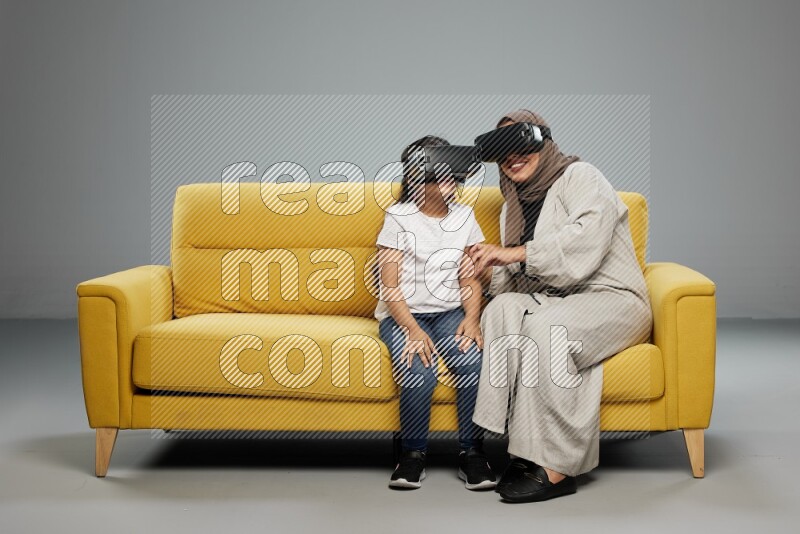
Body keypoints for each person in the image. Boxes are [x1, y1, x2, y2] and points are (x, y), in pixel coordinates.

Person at [468, 110, 652, 502]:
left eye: (522, 145)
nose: (513, 157)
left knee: (546, 330)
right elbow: (520, 277)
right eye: (503, 151)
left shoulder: (581, 176)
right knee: (501, 310)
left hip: (612, 298)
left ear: (545, 142)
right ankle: (521, 445)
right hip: (559, 300)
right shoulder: (512, 205)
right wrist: (482, 275)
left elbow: (584, 240)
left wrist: (513, 253)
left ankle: (557, 467)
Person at [375, 135, 496, 490]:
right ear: (417, 179)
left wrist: (472, 319)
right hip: (404, 316)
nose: (449, 183)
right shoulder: (398, 217)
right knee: (419, 372)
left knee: (472, 363)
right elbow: (390, 285)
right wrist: (412, 329)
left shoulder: (464, 216)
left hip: (450, 313)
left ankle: (472, 453)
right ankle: (412, 455)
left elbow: (469, 277)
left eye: (452, 175)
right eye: (439, 175)